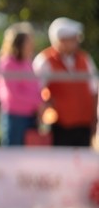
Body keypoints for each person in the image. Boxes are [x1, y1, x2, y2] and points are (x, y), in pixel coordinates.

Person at [32, 17, 98, 147]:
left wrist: (94, 120)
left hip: (84, 124)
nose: (76, 42)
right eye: (72, 39)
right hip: (59, 125)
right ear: (60, 40)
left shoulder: (85, 58)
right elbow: (35, 90)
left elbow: (94, 90)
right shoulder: (45, 60)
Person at [0, 22, 42, 146]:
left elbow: (35, 87)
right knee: (13, 157)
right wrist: (37, 103)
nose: (32, 45)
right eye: (28, 41)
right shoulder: (7, 64)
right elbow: (13, 93)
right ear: (18, 43)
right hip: (15, 118)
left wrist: (41, 104)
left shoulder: (28, 62)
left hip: (31, 116)